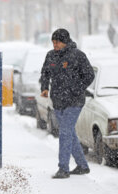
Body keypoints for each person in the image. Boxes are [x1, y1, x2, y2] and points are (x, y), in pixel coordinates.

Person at [39, 28, 95, 179]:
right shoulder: (51, 56)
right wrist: (44, 87)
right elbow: (45, 73)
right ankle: (82, 165)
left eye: (57, 42)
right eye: (53, 42)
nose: (54, 45)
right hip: (58, 101)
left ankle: (63, 168)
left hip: (74, 101)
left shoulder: (78, 56)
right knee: (69, 133)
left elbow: (89, 74)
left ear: (65, 41)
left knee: (64, 132)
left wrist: (78, 88)